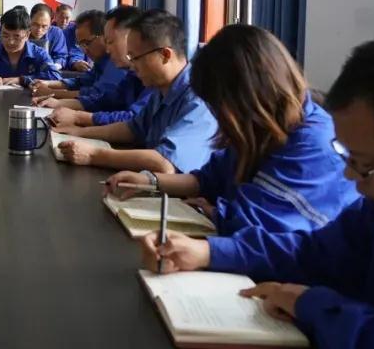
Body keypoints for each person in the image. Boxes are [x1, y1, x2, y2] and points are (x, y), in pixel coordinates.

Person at [140, 37, 374, 348]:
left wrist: (314, 305)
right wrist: (208, 252)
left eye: (365, 164)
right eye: (347, 156)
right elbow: (312, 251)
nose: (350, 176)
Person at [102, 24, 358, 239]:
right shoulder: (262, 128)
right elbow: (208, 179)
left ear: (247, 97)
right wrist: (150, 181)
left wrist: (215, 213)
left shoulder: (313, 144)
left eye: (220, 107)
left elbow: (262, 229)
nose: (219, 119)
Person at [52, 9, 216, 174]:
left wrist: (93, 155)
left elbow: (165, 163)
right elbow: (132, 129)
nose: (133, 66)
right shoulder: (161, 89)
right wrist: (78, 133)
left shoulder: (198, 98)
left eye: (135, 58)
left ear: (165, 55)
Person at [35, 6, 151, 127]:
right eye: (80, 45)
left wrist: (76, 116)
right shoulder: (128, 72)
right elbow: (102, 99)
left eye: (110, 41)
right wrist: (55, 96)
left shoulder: (120, 66)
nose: (107, 49)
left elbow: (132, 120)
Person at [0, 7, 63, 87]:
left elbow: (55, 76)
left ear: (27, 35)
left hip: (29, 104)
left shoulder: (38, 53)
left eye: (17, 37)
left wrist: (21, 80)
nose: (10, 42)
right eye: (5, 35)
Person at [31, 8, 111, 100]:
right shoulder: (100, 63)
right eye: (80, 45)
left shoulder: (115, 62)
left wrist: (52, 93)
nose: (85, 51)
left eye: (87, 43)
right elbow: (81, 82)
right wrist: (47, 83)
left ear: (105, 37)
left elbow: (96, 95)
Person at [28, 3, 69, 71]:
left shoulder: (56, 33)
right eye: (35, 24)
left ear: (50, 23)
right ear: (30, 20)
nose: (39, 30)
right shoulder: (22, 32)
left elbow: (61, 57)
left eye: (44, 26)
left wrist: (55, 66)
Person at [57, 4, 91, 71]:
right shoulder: (48, 30)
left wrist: (75, 63)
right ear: (56, 16)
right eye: (61, 17)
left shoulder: (75, 31)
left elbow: (76, 52)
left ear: (71, 18)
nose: (64, 21)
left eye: (67, 18)